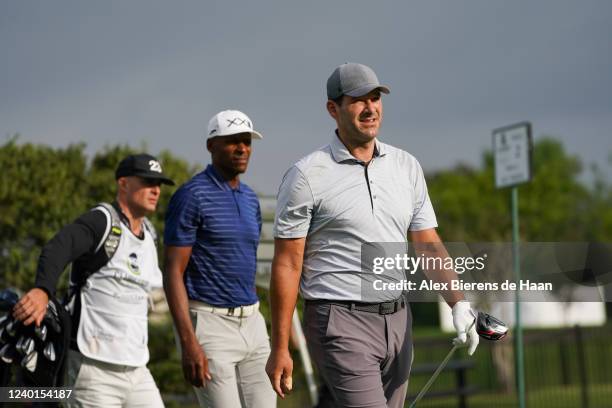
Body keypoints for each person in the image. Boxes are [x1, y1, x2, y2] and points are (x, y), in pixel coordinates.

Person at [265, 62, 479, 408]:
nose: (370, 108)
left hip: (398, 320)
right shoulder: (306, 175)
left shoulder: (406, 165)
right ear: (333, 109)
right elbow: (288, 264)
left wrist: (458, 302)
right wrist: (280, 347)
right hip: (338, 320)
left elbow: (428, 243)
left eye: (375, 98)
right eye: (358, 100)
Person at [12, 153, 174, 407]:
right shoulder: (102, 220)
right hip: (92, 371)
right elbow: (58, 247)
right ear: (123, 183)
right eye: (146, 182)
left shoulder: (150, 234)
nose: (155, 190)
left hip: (137, 369)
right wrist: (43, 290)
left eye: (159, 184)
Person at [163, 110, 276, 408]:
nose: (242, 148)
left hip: (253, 322)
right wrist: (188, 342)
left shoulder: (251, 199)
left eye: (247, 141)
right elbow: (173, 272)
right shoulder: (191, 196)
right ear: (211, 146)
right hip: (210, 326)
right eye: (232, 142)